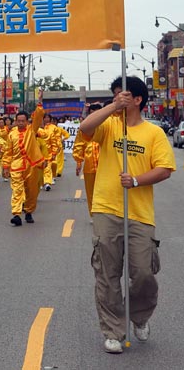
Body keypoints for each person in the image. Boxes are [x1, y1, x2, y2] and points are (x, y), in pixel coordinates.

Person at [79, 76, 175, 354]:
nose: (118, 98)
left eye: (123, 95)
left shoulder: (153, 133)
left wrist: (135, 180)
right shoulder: (109, 125)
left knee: (144, 273)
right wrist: (112, 107)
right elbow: (85, 128)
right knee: (107, 274)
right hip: (106, 209)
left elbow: (165, 169)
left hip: (139, 213)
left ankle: (140, 315)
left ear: (138, 99)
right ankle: (113, 331)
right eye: (115, 94)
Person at [2, 91, 45, 227]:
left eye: (23, 121)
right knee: (17, 190)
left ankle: (29, 211)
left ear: (27, 121)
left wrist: (39, 102)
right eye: (18, 121)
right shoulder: (11, 134)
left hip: (31, 166)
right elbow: (8, 152)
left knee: (32, 191)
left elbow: (38, 117)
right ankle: (16, 214)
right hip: (16, 166)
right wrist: (6, 166)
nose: (20, 123)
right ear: (15, 121)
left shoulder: (31, 131)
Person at [73, 103, 102, 217]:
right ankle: (93, 214)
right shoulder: (84, 129)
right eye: (92, 113)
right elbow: (78, 145)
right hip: (89, 166)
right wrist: (78, 162)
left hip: (105, 166)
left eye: (97, 113)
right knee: (91, 193)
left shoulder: (107, 127)